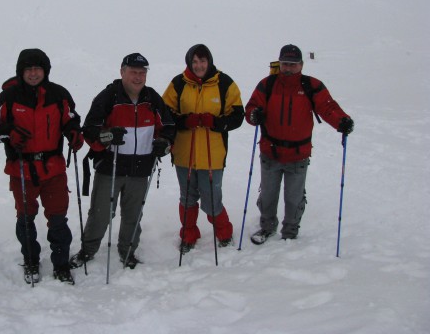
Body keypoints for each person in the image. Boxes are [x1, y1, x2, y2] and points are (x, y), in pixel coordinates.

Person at [0, 48, 83, 285]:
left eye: (37, 68)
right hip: (21, 168)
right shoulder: (8, 97)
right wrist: (9, 134)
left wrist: (73, 133)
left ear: (45, 70)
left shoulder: (59, 94)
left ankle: (60, 264)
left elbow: (71, 119)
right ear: (20, 71)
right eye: (27, 69)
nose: (32, 73)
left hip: (53, 167)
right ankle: (30, 260)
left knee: (58, 218)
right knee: (26, 218)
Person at [69, 53, 175, 269]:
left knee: (133, 215)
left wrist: (163, 143)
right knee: (100, 214)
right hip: (111, 167)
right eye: (133, 72)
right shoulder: (108, 97)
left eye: (142, 73)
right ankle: (88, 250)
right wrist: (108, 136)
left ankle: (128, 251)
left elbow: (169, 128)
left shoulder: (152, 99)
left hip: (140, 169)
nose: (138, 77)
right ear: (122, 72)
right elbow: (90, 130)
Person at [245, 44, 354, 244]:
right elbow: (251, 107)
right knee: (268, 196)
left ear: (301, 65)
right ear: (279, 63)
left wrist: (341, 120)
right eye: (285, 64)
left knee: (294, 198)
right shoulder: (267, 84)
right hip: (270, 152)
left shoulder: (311, 85)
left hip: (298, 154)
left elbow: (328, 107)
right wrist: (254, 114)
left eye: (293, 65)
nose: (288, 68)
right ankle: (267, 227)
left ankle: (290, 231)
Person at [162, 44, 244, 253]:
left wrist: (216, 122)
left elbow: (237, 116)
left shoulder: (224, 83)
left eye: (203, 61)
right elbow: (165, 114)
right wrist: (184, 121)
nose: (199, 66)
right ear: (189, 62)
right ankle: (189, 234)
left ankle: (224, 232)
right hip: (184, 154)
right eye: (195, 61)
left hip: (213, 155)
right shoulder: (178, 84)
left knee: (212, 198)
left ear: (209, 61)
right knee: (187, 197)